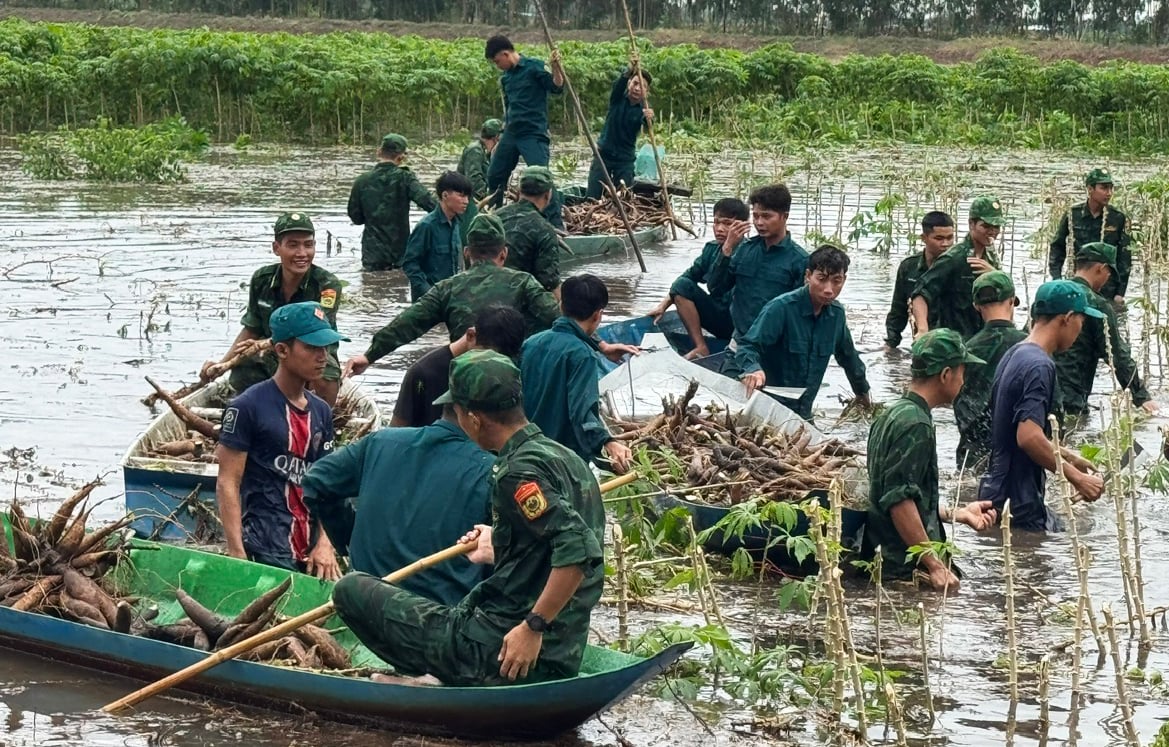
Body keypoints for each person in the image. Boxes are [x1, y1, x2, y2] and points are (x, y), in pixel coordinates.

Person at [331, 350, 605, 686]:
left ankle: (439, 680)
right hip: (563, 654)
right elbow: (565, 548)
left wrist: (533, 627)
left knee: (350, 589)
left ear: (474, 419)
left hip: (497, 654)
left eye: (458, 412)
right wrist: (503, 542)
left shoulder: (514, 473)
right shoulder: (567, 458)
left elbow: (579, 549)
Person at [302, 403, 495, 606]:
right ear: (477, 419)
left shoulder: (381, 441)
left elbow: (317, 482)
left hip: (363, 604)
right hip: (437, 617)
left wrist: (347, 537)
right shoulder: (492, 471)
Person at [215, 301, 345, 581]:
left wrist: (325, 543)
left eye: (325, 348)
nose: (322, 357)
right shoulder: (247, 406)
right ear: (282, 351)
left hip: (312, 552)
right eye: (312, 348)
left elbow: (328, 486)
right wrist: (237, 553)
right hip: (264, 547)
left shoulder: (321, 410)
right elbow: (228, 481)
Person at [343, 214, 560, 378]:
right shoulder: (524, 282)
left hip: (463, 377)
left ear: (466, 253)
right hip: (510, 379)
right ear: (504, 253)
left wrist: (370, 355)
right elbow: (558, 319)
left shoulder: (447, 288)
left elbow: (407, 324)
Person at [863, 329, 997, 590]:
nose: (963, 379)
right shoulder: (916, 424)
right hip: (903, 570)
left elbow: (904, 495)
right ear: (946, 375)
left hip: (887, 560)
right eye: (962, 371)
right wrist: (935, 566)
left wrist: (959, 514)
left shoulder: (892, 414)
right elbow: (899, 501)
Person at [978, 280, 1106, 532]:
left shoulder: (1016, 352)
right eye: (1081, 321)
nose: (1081, 329)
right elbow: (1028, 437)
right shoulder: (1039, 366)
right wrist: (1078, 479)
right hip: (1018, 499)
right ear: (1067, 318)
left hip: (998, 489)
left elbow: (1012, 427)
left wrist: (1068, 456)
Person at [203, 212, 343, 407]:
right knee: (244, 370)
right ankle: (257, 409)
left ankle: (320, 417)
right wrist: (223, 364)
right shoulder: (262, 279)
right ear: (277, 248)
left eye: (308, 245)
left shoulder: (327, 285)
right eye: (293, 245)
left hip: (312, 351)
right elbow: (251, 328)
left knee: (325, 376)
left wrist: (260, 345)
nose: (302, 253)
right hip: (273, 353)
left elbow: (312, 331)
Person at [736, 245, 872, 421]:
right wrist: (753, 370)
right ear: (808, 276)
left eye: (836, 281)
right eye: (821, 279)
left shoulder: (836, 315)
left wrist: (862, 393)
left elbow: (848, 357)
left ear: (844, 280)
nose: (829, 289)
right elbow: (747, 346)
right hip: (768, 410)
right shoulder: (781, 308)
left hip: (804, 415)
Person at [521, 274, 632, 474]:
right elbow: (581, 413)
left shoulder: (531, 343)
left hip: (525, 450)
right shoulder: (582, 356)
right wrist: (607, 442)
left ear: (561, 306)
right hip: (560, 459)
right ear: (598, 315)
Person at [1054, 242, 1156, 419]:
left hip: (1040, 388)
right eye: (1109, 273)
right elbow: (1116, 355)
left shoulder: (1051, 294)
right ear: (1101, 269)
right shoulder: (1097, 305)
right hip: (1072, 396)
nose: (1108, 279)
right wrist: (1141, 396)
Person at [390, 304, 526, 428]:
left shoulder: (508, 371)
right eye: (486, 357)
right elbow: (397, 431)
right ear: (471, 336)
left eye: (501, 361)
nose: (493, 365)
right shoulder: (423, 374)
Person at [706, 184, 809, 344]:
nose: (759, 223)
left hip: (775, 346)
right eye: (755, 216)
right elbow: (716, 289)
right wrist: (727, 248)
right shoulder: (744, 250)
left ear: (784, 216)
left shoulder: (800, 260)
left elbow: (801, 312)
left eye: (766, 217)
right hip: (740, 341)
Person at [647, 197, 746, 359]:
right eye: (716, 222)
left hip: (740, 323)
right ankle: (701, 346)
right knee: (682, 285)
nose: (719, 228)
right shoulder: (711, 249)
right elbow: (687, 278)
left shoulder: (750, 252)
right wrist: (663, 305)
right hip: (718, 316)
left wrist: (728, 249)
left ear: (742, 226)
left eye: (727, 224)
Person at [484, 34, 565, 229]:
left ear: (506, 54)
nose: (497, 66)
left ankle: (555, 225)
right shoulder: (506, 79)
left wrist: (556, 67)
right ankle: (495, 217)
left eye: (497, 61)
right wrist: (502, 136)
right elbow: (509, 108)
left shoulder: (534, 67)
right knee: (495, 174)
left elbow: (557, 87)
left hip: (533, 133)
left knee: (541, 178)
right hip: (512, 134)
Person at [953, 271, 1027, 470]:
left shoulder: (965, 350)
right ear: (1011, 302)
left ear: (976, 306)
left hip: (972, 450)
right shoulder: (1028, 346)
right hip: (1017, 449)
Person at [911, 196, 1006, 338]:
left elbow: (1007, 298)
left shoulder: (992, 258)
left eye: (996, 227)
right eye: (986, 226)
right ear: (971, 224)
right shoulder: (954, 258)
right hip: (955, 340)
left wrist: (995, 276)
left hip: (984, 338)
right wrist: (923, 330)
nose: (992, 232)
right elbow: (920, 293)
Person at [347, 133, 438, 271]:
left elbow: (356, 218)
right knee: (399, 288)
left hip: (372, 255)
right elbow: (429, 203)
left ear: (379, 152)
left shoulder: (362, 181)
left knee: (370, 288)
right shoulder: (405, 178)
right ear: (401, 157)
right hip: (399, 254)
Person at [1049, 168, 1131, 307]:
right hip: (1080, 280)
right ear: (1090, 189)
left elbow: (1125, 257)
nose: (1109, 193)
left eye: (1111, 188)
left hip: (1107, 286)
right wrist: (1057, 279)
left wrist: (1120, 293)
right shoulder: (1073, 214)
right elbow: (1057, 246)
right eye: (1104, 188)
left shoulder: (1117, 218)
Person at [884, 211, 956, 351]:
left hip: (953, 341)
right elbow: (898, 309)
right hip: (923, 341)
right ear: (924, 238)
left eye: (950, 238)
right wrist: (891, 343)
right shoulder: (909, 267)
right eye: (939, 238)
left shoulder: (960, 266)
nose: (946, 244)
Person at [402, 171, 474, 302]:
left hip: (451, 299)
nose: (466, 201)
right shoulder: (427, 226)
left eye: (467, 197)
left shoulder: (456, 224)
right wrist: (429, 294)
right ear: (445, 195)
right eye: (461, 196)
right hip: (427, 303)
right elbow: (410, 264)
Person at [586, 67, 653, 199]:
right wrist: (630, 69)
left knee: (623, 197)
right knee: (593, 197)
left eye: (643, 86)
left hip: (625, 160)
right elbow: (618, 84)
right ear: (629, 84)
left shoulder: (644, 110)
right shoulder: (617, 98)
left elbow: (647, 129)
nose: (637, 88)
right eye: (635, 83)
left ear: (647, 91)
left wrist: (650, 120)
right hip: (603, 155)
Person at [497, 166, 562, 293]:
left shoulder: (495, 216)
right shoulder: (545, 229)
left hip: (484, 293)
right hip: (518, 301)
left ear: (519, 191)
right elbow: (549, 282)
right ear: (548, 194)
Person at [458, 118, 503, 202]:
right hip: (467, 199)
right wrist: (487, 198)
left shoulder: (488, 153)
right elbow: (474, 178)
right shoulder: (475, 150)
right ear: (496, 137)